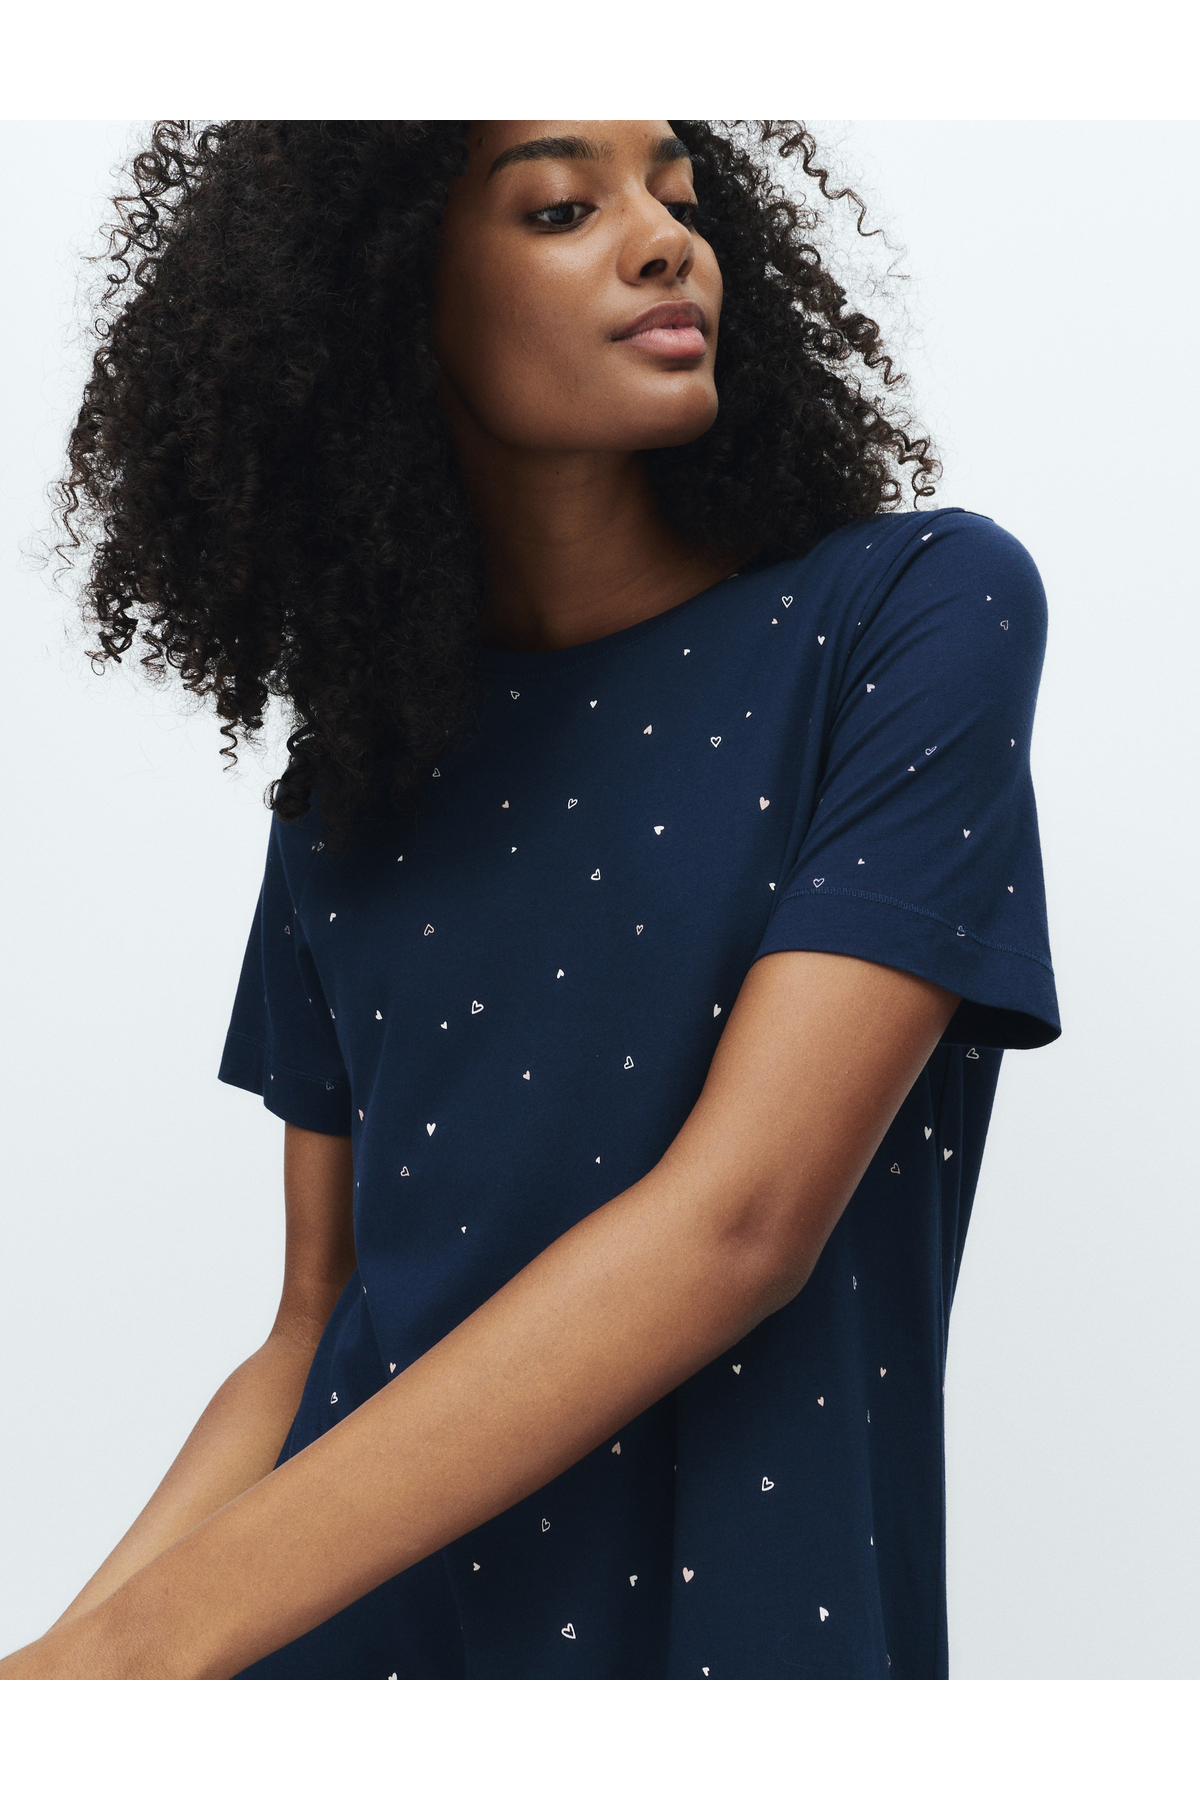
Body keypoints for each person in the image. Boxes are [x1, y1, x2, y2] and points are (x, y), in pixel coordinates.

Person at [0, 118, 1059, 1681]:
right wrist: (58, 1669)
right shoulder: (350, 785)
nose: (666, 239)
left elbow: (743, 1222)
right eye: (564, 207)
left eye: (679, 196)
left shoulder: (912, 616)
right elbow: (313, 1328)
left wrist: (134, 1654)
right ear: (390, 301)